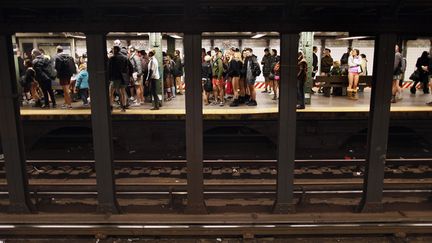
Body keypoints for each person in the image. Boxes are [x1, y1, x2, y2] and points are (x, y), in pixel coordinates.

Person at [108, 45, 131, 112]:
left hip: (115, 78)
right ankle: (123, 107)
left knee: (111, 93)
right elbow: (130, 67)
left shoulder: (112, 58)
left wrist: (109, 78)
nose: (112, 51)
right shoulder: (125, 58)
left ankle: (111, 107)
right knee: (123, 92)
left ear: (115, 50)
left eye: (112, 49)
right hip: (123, 78)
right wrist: (128, 76)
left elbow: (109, 69)